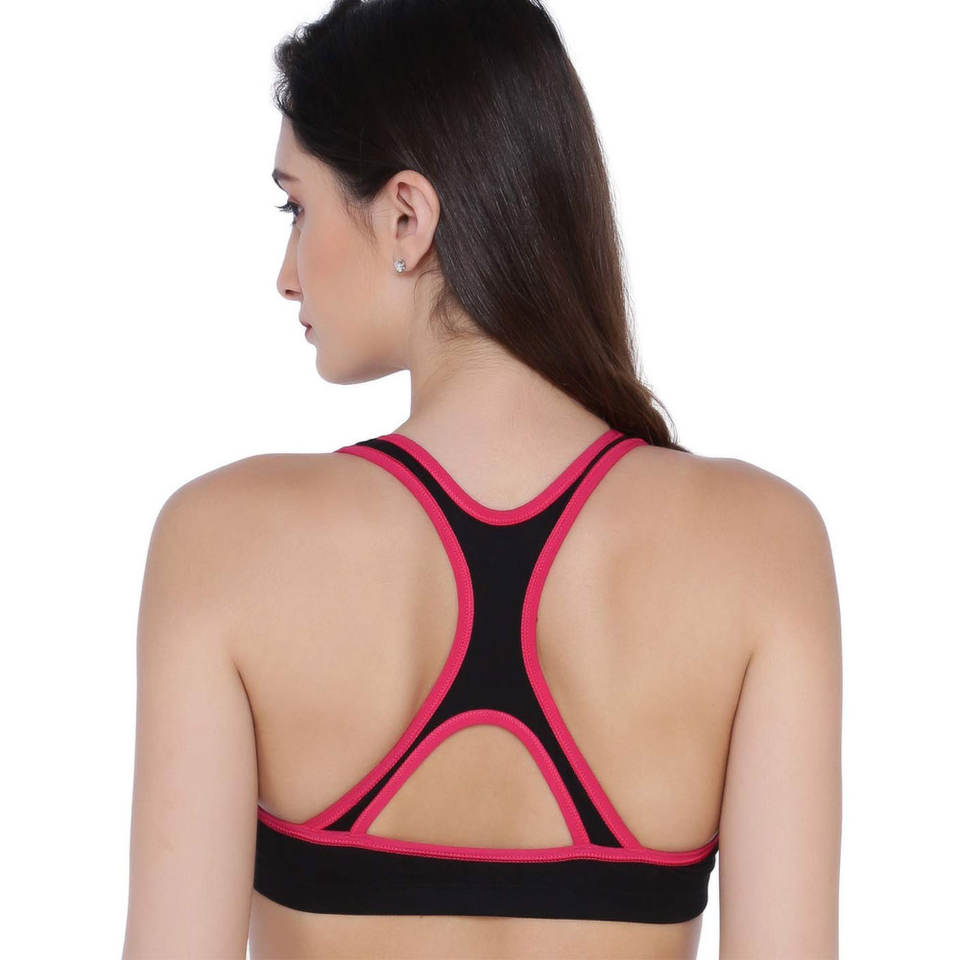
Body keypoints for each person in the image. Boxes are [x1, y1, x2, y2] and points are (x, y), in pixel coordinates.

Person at [122, 1, 842, 957]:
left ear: (407, 215)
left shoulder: (222, 542)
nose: (286, 276)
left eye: (297, 208)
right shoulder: (762, 546)